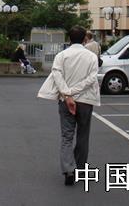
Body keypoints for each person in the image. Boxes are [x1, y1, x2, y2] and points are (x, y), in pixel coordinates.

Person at [37, 26, 100, 186]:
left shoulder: (61, 55)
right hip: (86, 100)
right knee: (83, 136)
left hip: (65, 101)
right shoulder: (91, 57)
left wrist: (67, 94)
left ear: (69, 39)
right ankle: (80, 168)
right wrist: (74, 91)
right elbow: (92, 78)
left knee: (67, 136)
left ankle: (68, 169)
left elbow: (57, 75)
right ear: (85, 39)